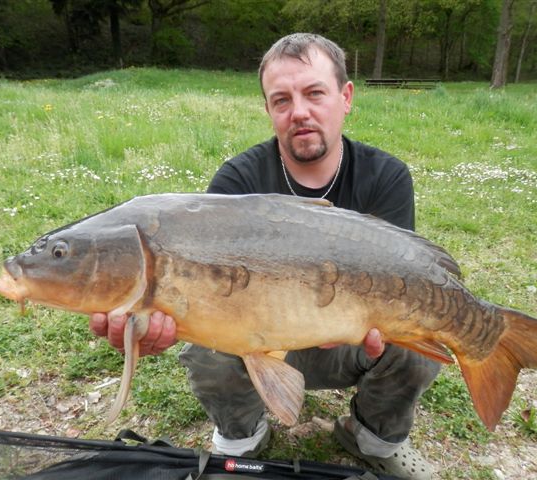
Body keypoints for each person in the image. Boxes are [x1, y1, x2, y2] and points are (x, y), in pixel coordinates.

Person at [90, 33, 438, 480]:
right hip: (255, 337)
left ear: (345, 96)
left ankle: (371, 437)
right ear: (269, 108)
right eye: (281, 100)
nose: (300, 112)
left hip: (347, 339)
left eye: (314, 93)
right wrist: (146, 323)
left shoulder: (386, 177)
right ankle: (244, 439)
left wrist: (367, 323)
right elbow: (201, 293)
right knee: (206, 346)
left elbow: (401, 282)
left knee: (422, 342)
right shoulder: (238, 181)